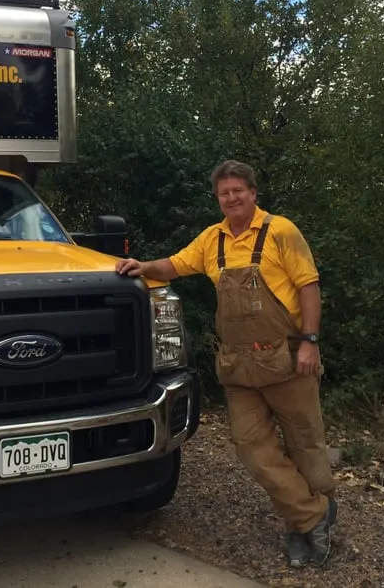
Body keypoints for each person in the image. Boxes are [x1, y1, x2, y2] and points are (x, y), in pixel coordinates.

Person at [115, 160, 337, 568]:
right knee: (252, 449)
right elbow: (175, 265)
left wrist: (309, 342)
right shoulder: (211, 239)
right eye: (224, 193)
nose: (232, 198)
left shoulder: (281, 231)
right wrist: (143, 268)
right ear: (217, 199)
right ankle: (314, 514)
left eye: (238, 190)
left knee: (306, 447)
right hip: (238, 365)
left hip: (287, 358)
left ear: (253, 192)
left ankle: (302, 528)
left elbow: (309, 285)